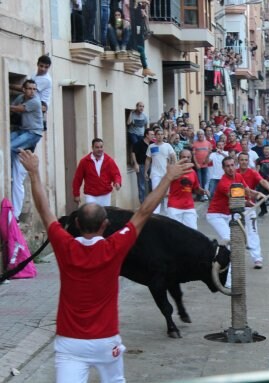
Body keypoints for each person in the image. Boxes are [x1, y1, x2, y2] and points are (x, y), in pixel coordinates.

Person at [18, 149, 191, 383]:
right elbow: (144, 212)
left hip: (69, 343)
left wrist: (34, 173)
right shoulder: (114, 247)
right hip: (105, 341)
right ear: (105, 225)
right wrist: (167, 178)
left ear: (76, 224)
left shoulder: (63, 245)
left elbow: (45, 211)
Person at [206, 156, 266, 285]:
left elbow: (247, 190)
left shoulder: (238, 176)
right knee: (232, 243)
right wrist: (250, 202)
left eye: (232, 165)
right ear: (223, 168)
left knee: (235, 242)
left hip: (228, 215)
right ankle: (228, 280)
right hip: (216, 215)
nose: (230, 168)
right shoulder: (223, 183)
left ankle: (220, 263)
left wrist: (259, 194)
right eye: (227, 166)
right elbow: (237, 199)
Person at [10, 79, 44, 219]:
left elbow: (18, 109)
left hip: (33, 133)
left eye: (34, 89)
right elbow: (14, 108)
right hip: (22, 131)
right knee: (5, 143)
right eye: (29, 89)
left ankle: (8, 170)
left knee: (11, 146)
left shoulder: (35, 101)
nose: (32, 91)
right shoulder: (20, 97)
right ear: (23, 89)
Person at [237, 152, 269, 268]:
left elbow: (262, 181)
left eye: (245, 160)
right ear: (238, 161)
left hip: (250, 207)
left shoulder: (252, 173)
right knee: (235, 234)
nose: (243, 162)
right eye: (241, 160)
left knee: (252, 232)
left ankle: (257, 258)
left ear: (248, 161)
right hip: (235, 207)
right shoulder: (234, 173)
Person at [166, 149, 209, 230]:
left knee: (193, 232)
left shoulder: (193, 172)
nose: (186, 159)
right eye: (183, 157)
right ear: (179, 158)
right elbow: (165, 183)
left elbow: (196, 188)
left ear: (191, 158)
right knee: (175, 234)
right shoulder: (173, 171)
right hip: (174, 207)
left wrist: (203, 191)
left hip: (189, 207)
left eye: (188, 157)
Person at [72, 139, 121, 207]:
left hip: (105, 195)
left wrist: (117, 182)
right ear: (92, 148)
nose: (99, 149)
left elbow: (116, 174)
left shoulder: (109, 161)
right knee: (91, 215)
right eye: (97, 147)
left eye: (101, 147)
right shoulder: (84, 161)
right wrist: (76, 194)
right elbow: (77, 179)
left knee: (104, 215)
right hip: (90, 195)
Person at [145, 129, 177, 215]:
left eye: (161, 134)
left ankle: (168, 212)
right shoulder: (151, 147)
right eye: (158, 134)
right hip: (155, 173)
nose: (160, 136)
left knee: (167, 193)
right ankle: (156, 212)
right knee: (156, 192)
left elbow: (173, 157)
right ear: (155, 136)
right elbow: (148, 159)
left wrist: (173, 168)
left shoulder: (167, 146)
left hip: (166, 173)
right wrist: (145, 171)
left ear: (163, 136)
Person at [131, 128, 154, 204]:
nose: (153, 136)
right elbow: (133, 153)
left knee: (152, 184)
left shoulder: (152, 144)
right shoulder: (139, 143)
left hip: (151, 165)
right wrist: (136, 164)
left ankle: (151, 203)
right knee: (142, 185)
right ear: (146, 135)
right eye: (151, 134)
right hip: (141, 165)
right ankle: (143, 204)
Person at [191, 129, 212, 199]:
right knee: (199, 181)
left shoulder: (208, 143)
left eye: (201, 134)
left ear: (204, 135)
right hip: (198, 165)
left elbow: (210, 153)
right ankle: (200, 195)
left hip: (205, 165)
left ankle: (203, 194)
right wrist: (196, 164)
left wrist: (207, 160)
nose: (200, 135)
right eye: (199, 134)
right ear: (197, 135)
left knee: (205, 180)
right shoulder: (195, 143)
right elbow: (193, 155)